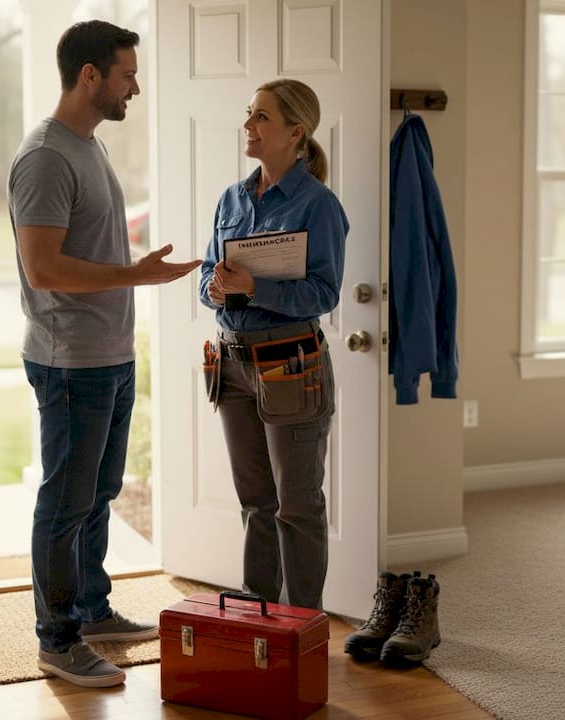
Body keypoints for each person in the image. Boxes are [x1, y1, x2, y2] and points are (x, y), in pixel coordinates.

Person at [7, 19, 201, 688]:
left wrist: (133, 282)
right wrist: (138, 276)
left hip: (109, 354)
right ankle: (56, 639)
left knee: (98, 495)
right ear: (90, 76)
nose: (136, 87)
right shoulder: (46, 157)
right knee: (65, 502)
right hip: (70, 362)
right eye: (126, 74)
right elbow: (43, 268)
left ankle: (90, 610)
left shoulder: (90, 147)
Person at [199, 78, 349, 611]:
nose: (249, 125)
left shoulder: (319, 206)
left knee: (297, 506)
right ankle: (257, 616)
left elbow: (324, 293)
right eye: (250, 114)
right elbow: (205, 281)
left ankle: (300, 625)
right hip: (231, 365)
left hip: (291, 364)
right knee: (256, 503)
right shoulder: (231, 199)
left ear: (296, 132)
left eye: (262, 117)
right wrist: (216, 287)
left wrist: (254, 287)